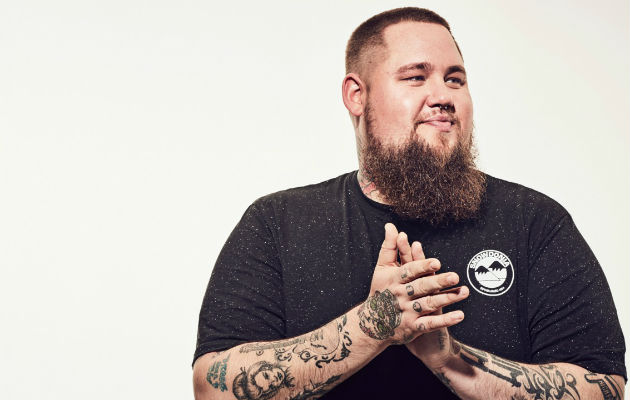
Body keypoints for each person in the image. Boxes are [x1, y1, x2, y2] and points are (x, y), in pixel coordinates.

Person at [193, 7, 626, 399]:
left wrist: (450, 359)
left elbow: (604, 388)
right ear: (356, 95)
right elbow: (213, 388)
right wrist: (369, 327)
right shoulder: (277, 223)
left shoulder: (534, 221)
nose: (443, 96)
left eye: (455, 79)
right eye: (416, 77)